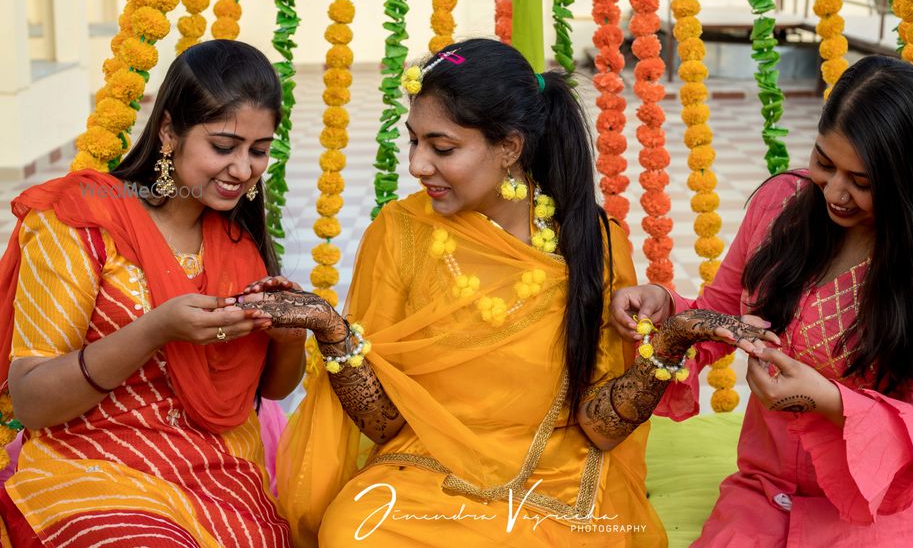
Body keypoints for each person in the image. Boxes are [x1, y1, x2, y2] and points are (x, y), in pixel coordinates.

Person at [244, 38, 756, 547]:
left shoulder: (590, 242)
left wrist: (668, 345)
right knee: (352, 533)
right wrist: (334, 334)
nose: (419, 165)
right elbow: (385, 424)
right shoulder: (398, 231)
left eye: (442, 148)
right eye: (414, 141)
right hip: (425, 469)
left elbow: (600, 428)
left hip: (554, 482)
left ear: (510, 147)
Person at [611, 55, 913, 546]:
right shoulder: (781, 206)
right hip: (772, 488)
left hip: (893, 503)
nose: (835, 192)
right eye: (824, 162)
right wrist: (667, 309)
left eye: (861, 182)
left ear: (910, 184)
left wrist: (833, 403)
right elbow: (723, 312)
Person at [0, 40, 305, 546]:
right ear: (169, 130)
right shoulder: (81, 223)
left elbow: (266, 391)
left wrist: (290, 337)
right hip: (92, 472)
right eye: (224, 146)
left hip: (220, 478)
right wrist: (155, 329)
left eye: (259, 150)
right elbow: (32, 401)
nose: (243, 169)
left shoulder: (236, 242)